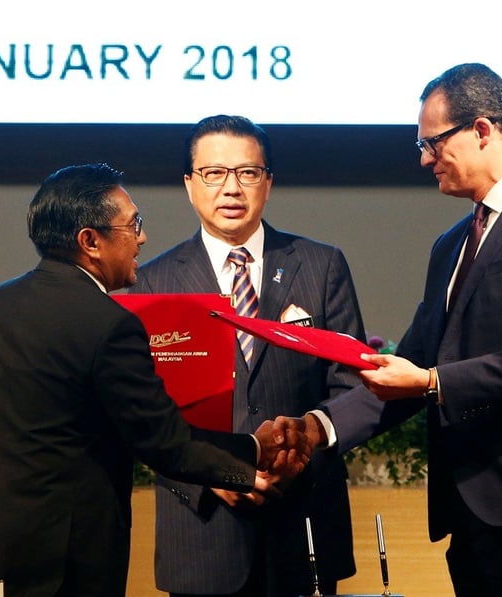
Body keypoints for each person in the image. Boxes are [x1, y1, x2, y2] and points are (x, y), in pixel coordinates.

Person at [281, 63, 502, 596]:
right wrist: (318, 427)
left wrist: (434, 381)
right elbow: (409, 363)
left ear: (482, 130)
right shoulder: (452, 243)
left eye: (433, 143)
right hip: (470, 511)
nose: (424, 159)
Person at [0, 163, 309, 597]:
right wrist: (255, 448)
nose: (143, 238)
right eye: (133, 224)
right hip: (64, 564)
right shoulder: (109, 325)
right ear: (89, 241)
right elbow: (165, 444)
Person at [130, 114, 365, 596]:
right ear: (189, 185)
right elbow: (142, 412)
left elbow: (353, 384)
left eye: (247, 172)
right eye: (214, 173)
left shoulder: (321, 267)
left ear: (268, 183)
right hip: (202, 530)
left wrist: (303, 446)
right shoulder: (153, 284)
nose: (231, 188)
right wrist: (208, 471)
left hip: (303, 523)